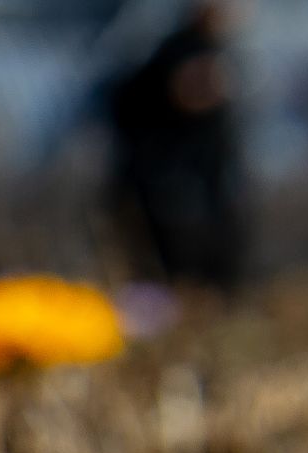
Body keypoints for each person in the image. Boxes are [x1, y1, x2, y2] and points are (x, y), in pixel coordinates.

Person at [105, 0, 245, 288]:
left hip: (210, 187)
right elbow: (187, 92)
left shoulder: (221, 50)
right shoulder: (175, 52)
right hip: (171, 189)